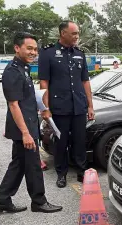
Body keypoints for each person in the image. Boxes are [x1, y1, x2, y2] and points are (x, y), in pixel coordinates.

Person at [0, 32, 62, 214]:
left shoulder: (23, 68)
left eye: (35, 49)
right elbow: (14, 105)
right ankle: (39, 201)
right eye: (29, 48)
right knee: (32, 165)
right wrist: (25, 133)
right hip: (23, 127)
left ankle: (2, 200)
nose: (33, 52)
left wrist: (43, 108)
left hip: (28, 122)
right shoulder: (12, 72)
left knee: (19, 164)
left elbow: (25, 99)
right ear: (17, 48)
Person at [38, 20, 94, 188]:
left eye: (77, 33)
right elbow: (44, 83)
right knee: (61, 142)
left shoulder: (80, 53)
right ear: (63, 33)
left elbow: (85, 81)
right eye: (74, 33)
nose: (77, 36)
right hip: (59, 108)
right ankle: (61, 174)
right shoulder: (48, 53)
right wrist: (45, 108)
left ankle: (81, 171)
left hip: (78, 107)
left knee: (79, 141)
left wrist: (90, 106)